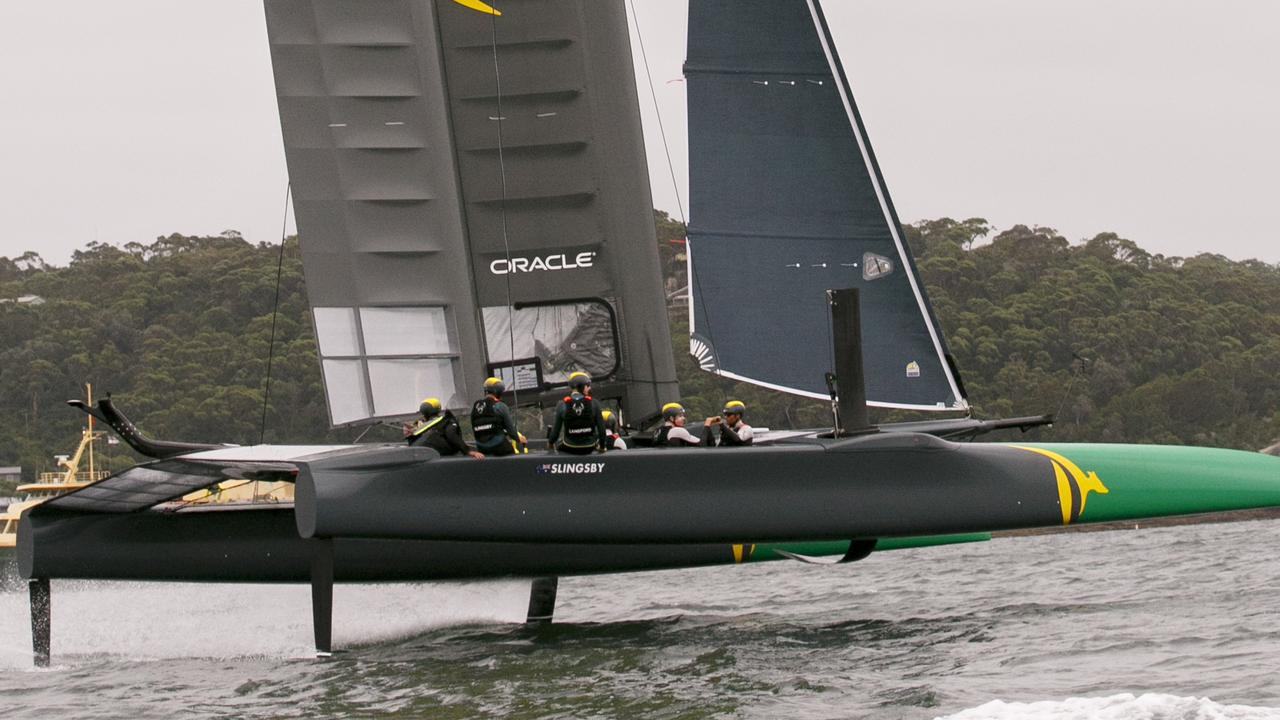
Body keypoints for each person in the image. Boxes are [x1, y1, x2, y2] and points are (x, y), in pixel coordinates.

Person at [548, 371, 607, 455]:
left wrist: (550, 444)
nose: (589, 388)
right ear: (581, 386)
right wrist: (602, 448)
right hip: (589, 447)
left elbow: (555, 433)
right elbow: (602, 431)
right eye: (587, 386)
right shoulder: (594, 403)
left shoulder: (562, 404)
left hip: (569, 446)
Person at [406, 397, 485, 458]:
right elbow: (451, 435)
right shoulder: (447, 421)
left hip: (416, 455)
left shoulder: (423, 427)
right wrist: (468, 451)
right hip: (431, 456)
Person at [470, 377, 526, 457]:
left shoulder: (476, 406)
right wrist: (518, 439)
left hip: (481, 448)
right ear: (498, 392)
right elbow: (511, 430)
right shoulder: (500, 406)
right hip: (498, 445)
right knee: (513, 457)